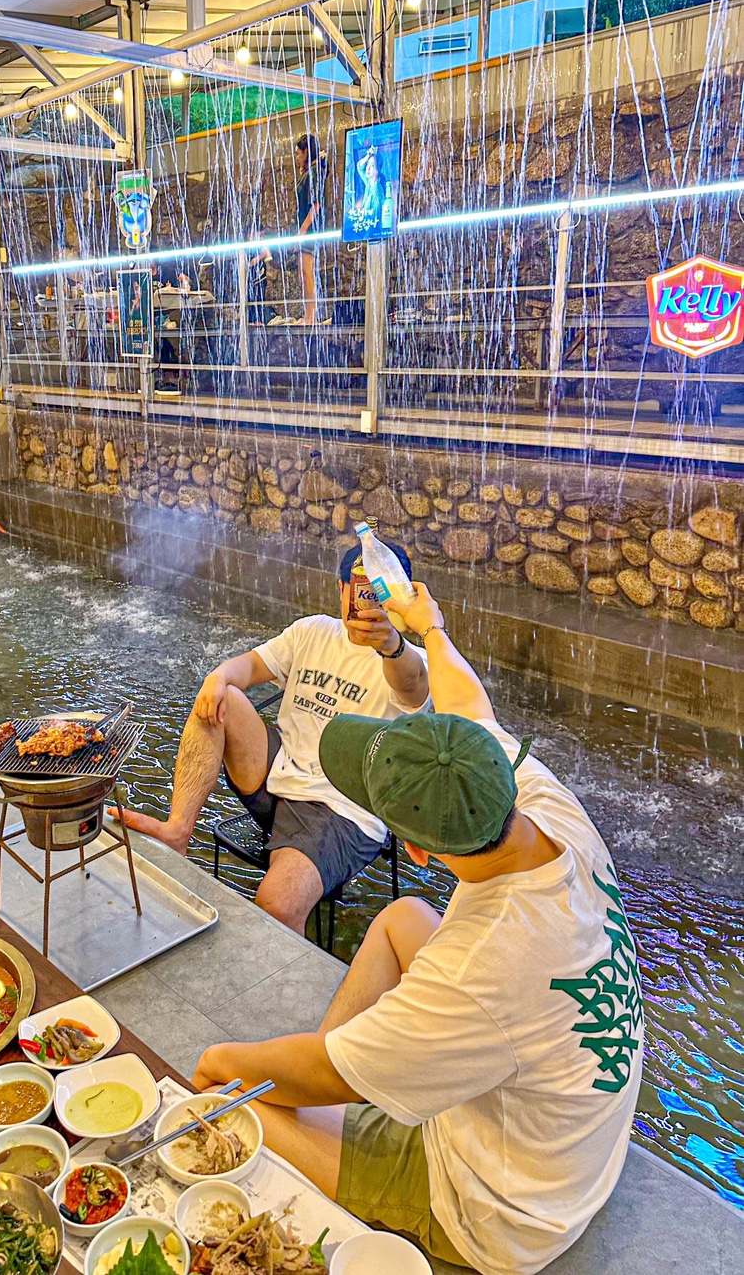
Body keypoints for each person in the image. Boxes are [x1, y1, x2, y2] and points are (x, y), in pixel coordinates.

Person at [193, 582, 644, 1275]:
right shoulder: (548, 808)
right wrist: (430, 628)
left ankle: (335, 1136)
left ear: (419, 851)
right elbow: (468, 705)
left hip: (501, 1208)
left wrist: (223, 1061)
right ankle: (347, 1082)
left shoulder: (478, 967)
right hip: (570, 1140)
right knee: (404, 917)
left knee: (221, 1100)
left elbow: (326, 1072)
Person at [113, 542, 429, 933]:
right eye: (361, 589)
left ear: (401, 600)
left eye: (382, 592)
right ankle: (178, 831)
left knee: (277, 906)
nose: (370, 603)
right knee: (220, 696)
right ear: (342, 590)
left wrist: (390, 646)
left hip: (341, 809)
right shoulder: (313, 630)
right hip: (276, 778)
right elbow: (248, 666)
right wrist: (218, 676)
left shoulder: (412, 661)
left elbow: (411, 686)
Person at [294, 133, 325, 325]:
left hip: (310, 230)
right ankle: (308, 313)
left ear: (306, 152)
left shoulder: (314, 173)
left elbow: (316, 204)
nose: (296, 157)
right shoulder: (310, 172)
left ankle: (311, 315)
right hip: (307, 228)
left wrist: (303, 229)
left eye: (298, 153)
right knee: (304, 273)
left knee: (308, 272)